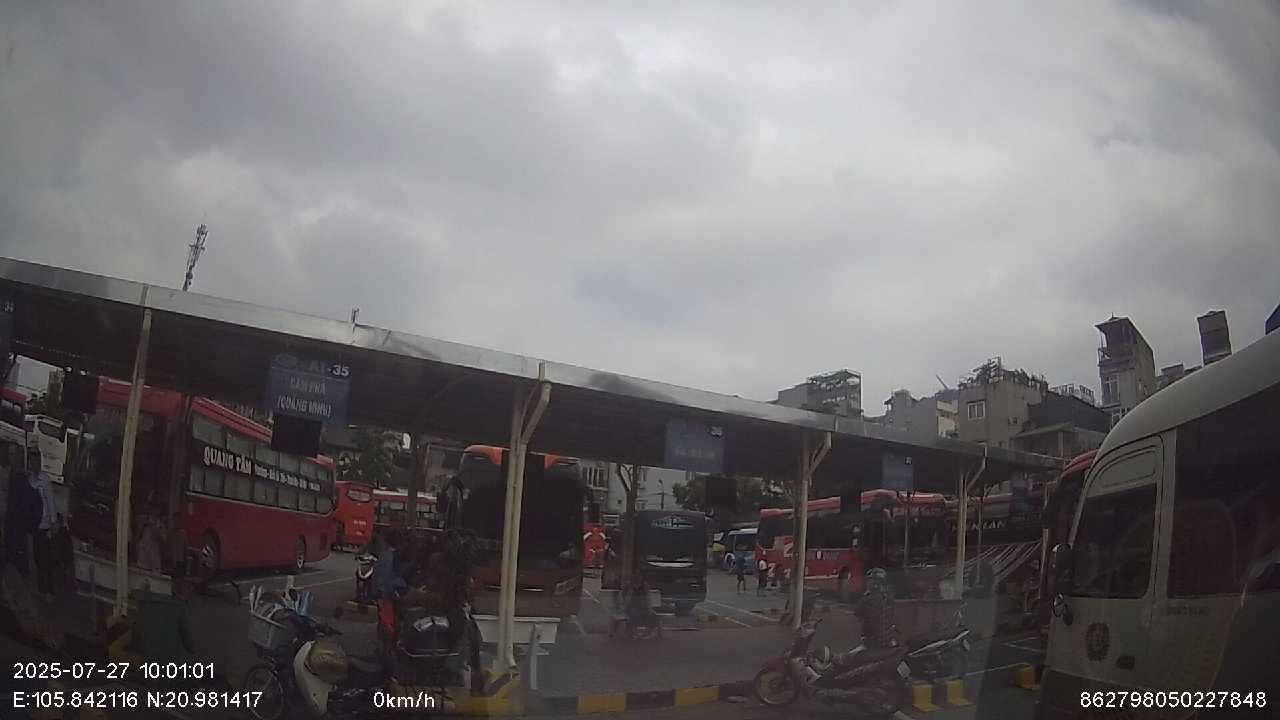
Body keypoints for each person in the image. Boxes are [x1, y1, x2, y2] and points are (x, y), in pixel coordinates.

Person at [27, 445, 58, 598]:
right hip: (35, 526)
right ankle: (41, 589)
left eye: (38, 460)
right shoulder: (29, 480)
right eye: (33, 460)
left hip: (45, 526)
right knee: (38, 559)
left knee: (47, 560)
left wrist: (53, 523)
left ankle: (50, 591)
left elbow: (50, 501)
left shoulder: (44, 480)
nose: (36, 463)